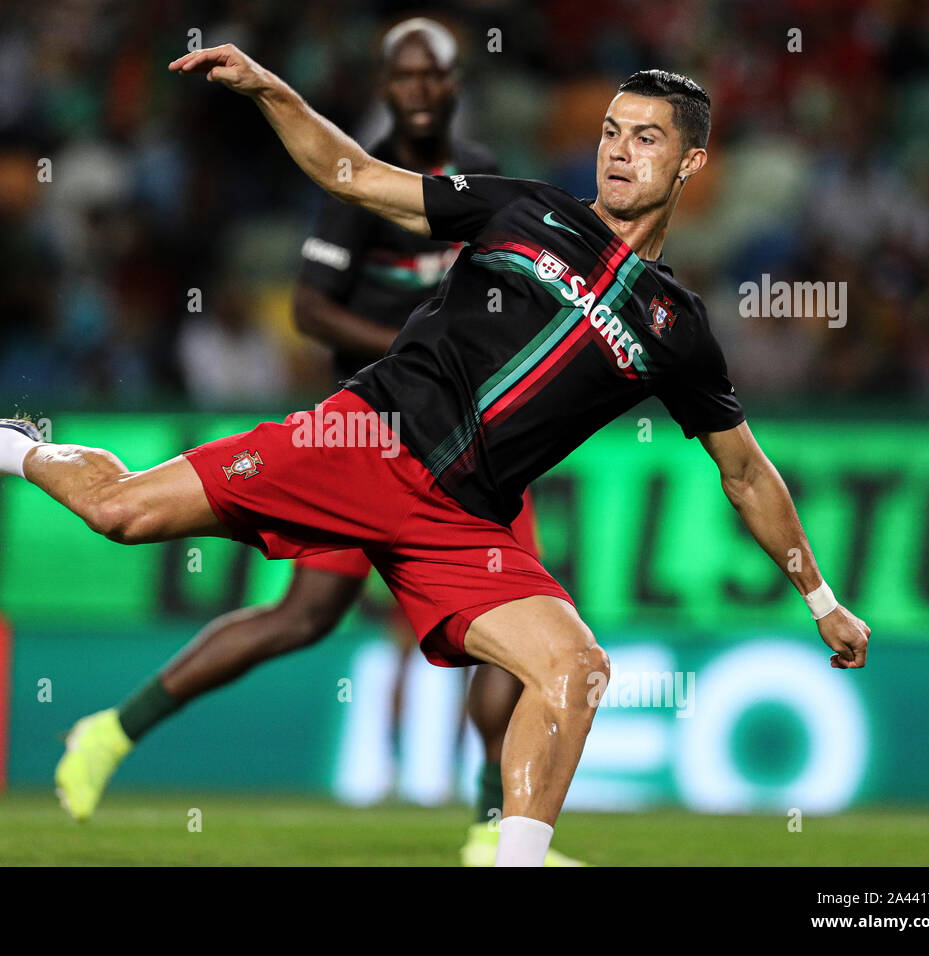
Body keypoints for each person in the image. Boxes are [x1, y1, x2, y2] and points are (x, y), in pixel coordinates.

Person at [0, 44, 871, 867]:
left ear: (692, 163)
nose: (617, 153)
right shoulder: (525, 209)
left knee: (573, 667)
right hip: (359, 441)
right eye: (611, 132)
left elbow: (743, 471)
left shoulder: (677, 326)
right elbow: (357, 177)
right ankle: (8, 444)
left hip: (464, 519)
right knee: (123, 515)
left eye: (645, 138)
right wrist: (275, 92)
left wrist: (819, 596)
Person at [53, 17, 567, 867]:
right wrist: (416, 350)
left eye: (431, 74)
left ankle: (490, 829)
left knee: (512, 617)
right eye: (400, 75)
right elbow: (308, 311)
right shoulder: (357, 180)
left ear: (451, 83)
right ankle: (112, 728)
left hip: (475, 444)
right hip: (366, 431)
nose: (416, 89)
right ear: (386, 84)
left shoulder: (484, 180)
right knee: (303, 617)